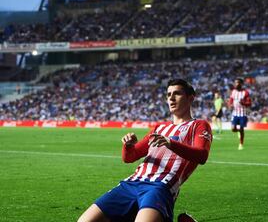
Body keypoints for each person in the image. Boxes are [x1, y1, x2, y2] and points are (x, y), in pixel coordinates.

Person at [78, 79, 213, 222]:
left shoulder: (199, 125)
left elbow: (202, 155)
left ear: (190, 98)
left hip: (160, 186)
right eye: (168, 95)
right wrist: (128, 145)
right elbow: (130, 157)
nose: (171, 98)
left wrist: (171, 143)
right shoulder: (159, 128)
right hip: (131, 183)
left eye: (177, 93)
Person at [228, 78, 252, 150]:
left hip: (243, 113)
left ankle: (241, 144)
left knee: (242, 128)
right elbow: (231, 101)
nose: (236, 84)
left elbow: (249, 103)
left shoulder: (245, 92)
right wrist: (230, 105)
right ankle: (238, 131)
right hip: (235, 113)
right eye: (235, 83)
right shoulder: (233, 92)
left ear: (241, 84)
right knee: (233, 129)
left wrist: (243, 103)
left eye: (238, 83)